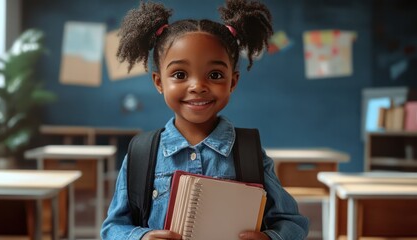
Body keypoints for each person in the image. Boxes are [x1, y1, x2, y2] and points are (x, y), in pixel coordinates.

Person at [101, 0, 309, 239]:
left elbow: (293, 223)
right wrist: (140, 237)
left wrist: (271, 237)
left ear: (232, 81)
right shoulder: (142, 153)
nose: (198, 86)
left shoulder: (248, 152)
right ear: (159, 82)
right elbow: (113, 228)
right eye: (180, 74)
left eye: (215, 75)